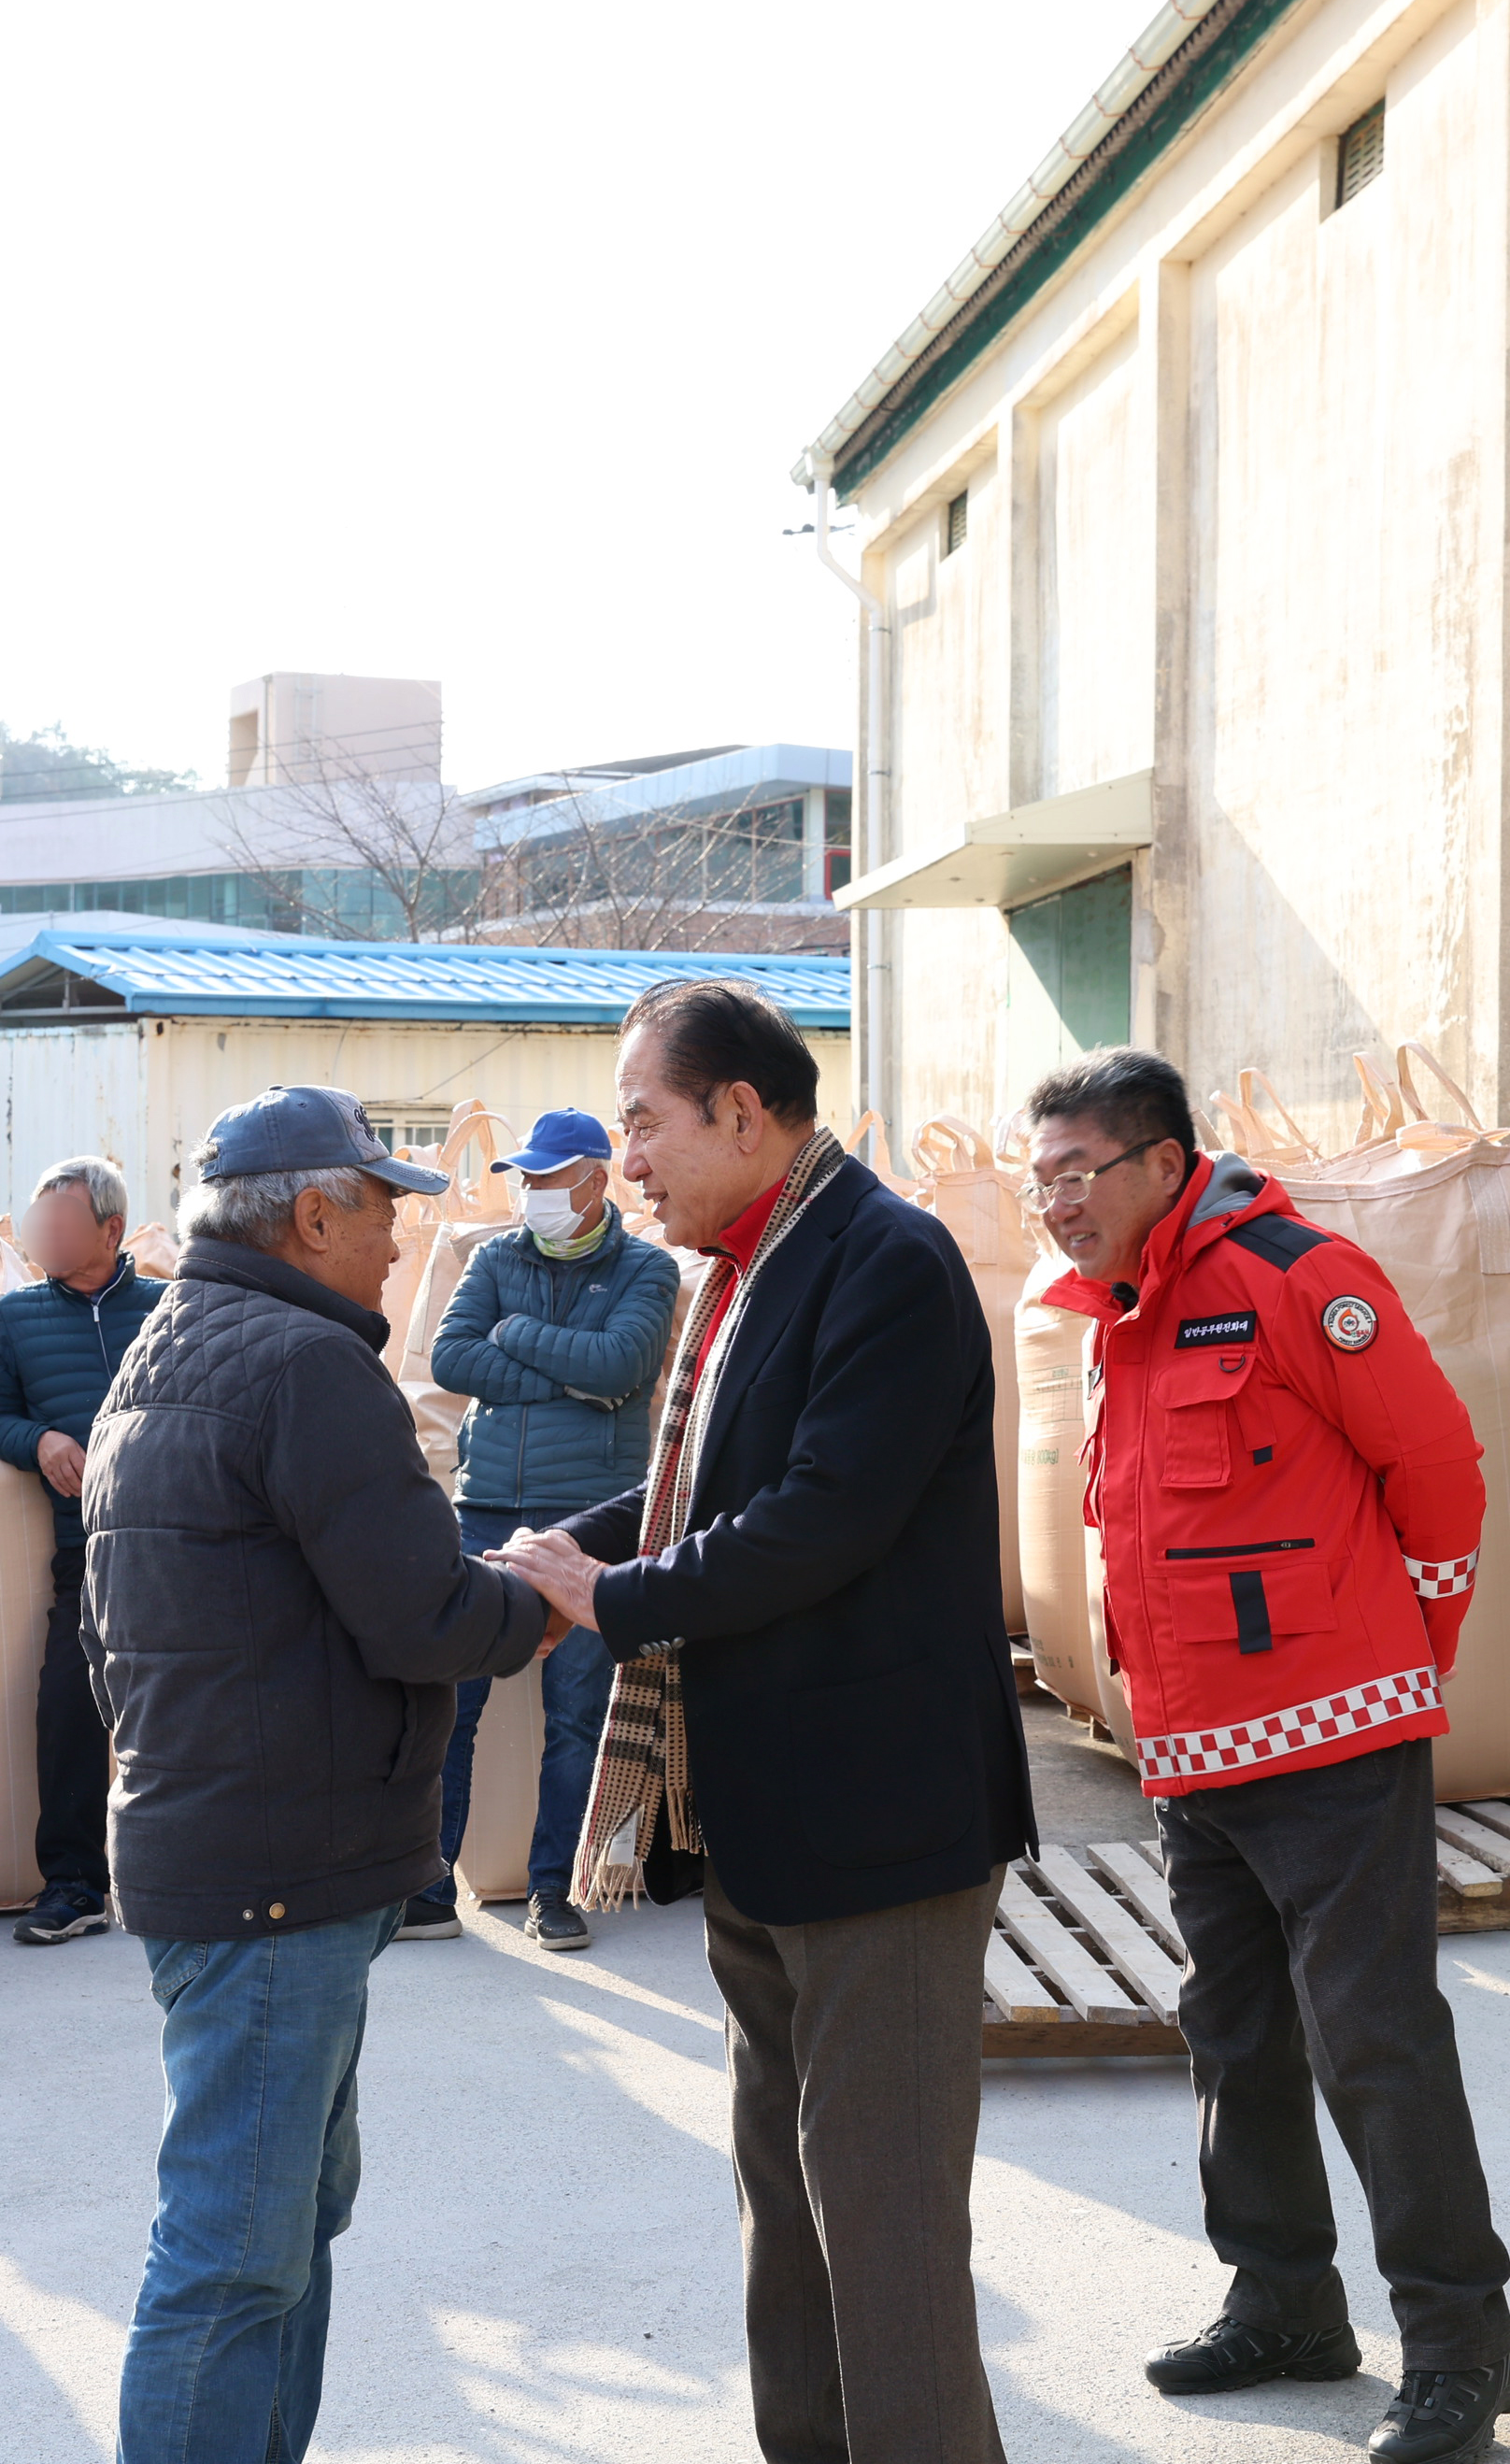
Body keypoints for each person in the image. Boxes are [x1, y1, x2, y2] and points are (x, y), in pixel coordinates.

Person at [501, 980, 1035, 2464]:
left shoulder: (885, 1258)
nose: (628, 1160)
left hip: (882, 1829)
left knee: (887, 2229)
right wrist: (554, 1560)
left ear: (743, 1112)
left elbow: (819, 1520)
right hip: (760, 1816)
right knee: (786, 2208)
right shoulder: (740, 1270)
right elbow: (696, 1499)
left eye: (645, 1121)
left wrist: (610, 1599)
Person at [1021, 1047, 1510, 2462]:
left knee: (1373, 2038)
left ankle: (1460, 2344)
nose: (1054, 1200)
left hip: (1333, 1734)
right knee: (1232, 2032)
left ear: (1166, 1164)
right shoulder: (1114, 1316)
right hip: (1193, 1749)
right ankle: (1287, 2302)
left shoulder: (1303, 1281)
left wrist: (1398, 1663)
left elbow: (1439, 1473)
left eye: (1080, 1172)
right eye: (1041, 1175)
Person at [82, 1086, 558, 2464]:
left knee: (282, 2231)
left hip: (220, 1848)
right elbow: (424, 1617)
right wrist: (549, 1597)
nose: (402, 1244)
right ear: (311, 1215)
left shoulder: (167, 1344)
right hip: (274, 1880)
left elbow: (108, 1635)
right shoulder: (304, 1366)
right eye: (384, 1211)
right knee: (235, 2252)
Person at [417, 1105, 677, 1951]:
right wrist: (572, 1374)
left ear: (595, 1180)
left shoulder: (647, 1268)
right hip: (486, 1504)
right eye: (523, 1181)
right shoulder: (494, 1256)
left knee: (576, 1717)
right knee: (453, 1702)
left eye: (545, 1179)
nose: (530, 1194)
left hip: (592, 1518)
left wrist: (519, 1334)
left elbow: (623, 1366)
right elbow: (453, 1359)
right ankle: (428, 1885)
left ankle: (553, 1891)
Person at [0, 1153, 167, 1945]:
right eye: (38, 1224)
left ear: (111, 1230)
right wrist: (40, 1437)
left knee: (202, 1710)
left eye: (61, 1224)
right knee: (70, 1710)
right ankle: (76, 1884)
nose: (44, 1237)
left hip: (182, 1544)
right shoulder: (14, 1318)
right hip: (83, 1548)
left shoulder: (168, 1306)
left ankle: (191, 1877)